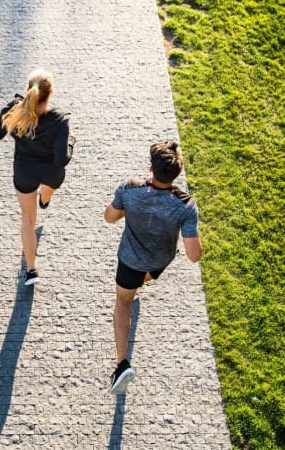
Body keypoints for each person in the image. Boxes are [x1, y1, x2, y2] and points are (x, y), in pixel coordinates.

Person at [103, 140, 202, 395]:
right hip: (159, 261)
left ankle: (122, 364)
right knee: (140, 281)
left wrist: (129, 207)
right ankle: (137, 286)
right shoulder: (186, 205)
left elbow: (109, 217)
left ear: (150, 169)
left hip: (130, 260)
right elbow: (193, 256)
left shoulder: (129, 188)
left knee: (123, 303)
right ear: (178, 173)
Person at [0, 69, 74, 286]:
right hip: (51, 173)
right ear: (51, 93)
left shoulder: (15, 110)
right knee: (48, 190)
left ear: (28, 89)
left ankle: (31, 270)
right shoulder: (60, 119)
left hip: (25, 172)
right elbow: (61, 160)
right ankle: (45, 200)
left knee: (28, 220)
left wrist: (8, 108)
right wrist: (71, 144)